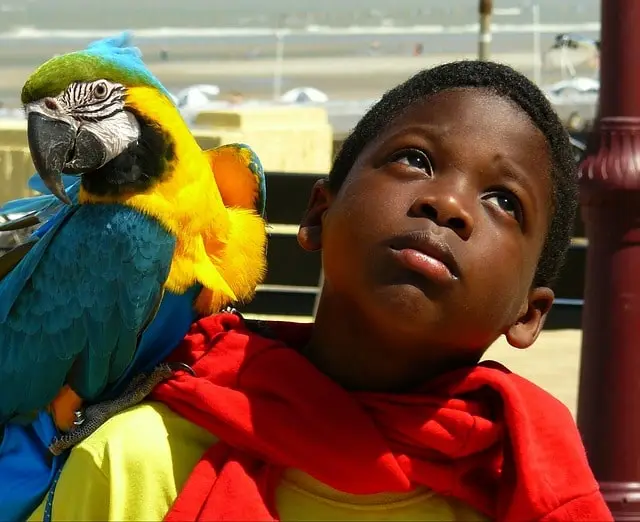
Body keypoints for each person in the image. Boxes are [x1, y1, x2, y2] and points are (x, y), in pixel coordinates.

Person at [29, 60, 612, 521]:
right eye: (415, 159)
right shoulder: (134, 462)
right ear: (317, 214)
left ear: (529, 316)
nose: (449, 204)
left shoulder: (530, 493)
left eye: (504, 201)